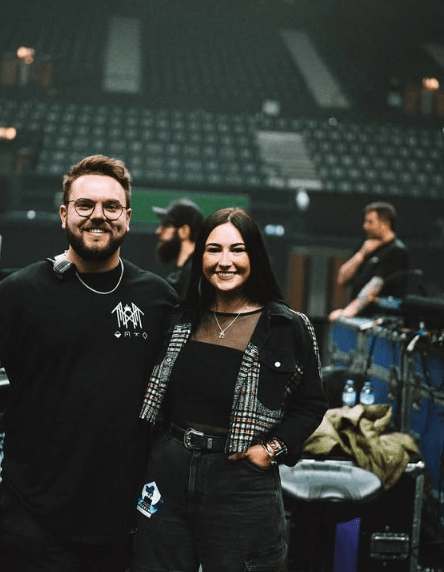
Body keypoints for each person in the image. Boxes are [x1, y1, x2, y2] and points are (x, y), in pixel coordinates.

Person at [0, 155, 179, 572]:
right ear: (64, 214)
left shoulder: (157, 298)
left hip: (126, 522)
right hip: (35, 520)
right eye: (85, 205)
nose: (98, 215)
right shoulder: (19, 292)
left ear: (127, 217)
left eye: (111, 206)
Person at [133, 207, 327, 572]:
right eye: (214, 249)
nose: (225, 261)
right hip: (168, 473)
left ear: (255, 257)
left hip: (241, 479)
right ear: (201, 257)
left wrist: (270, 450)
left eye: (237, 250)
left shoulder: (287, 326)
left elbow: (310, 404)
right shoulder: (179, 318)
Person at [328, 201, 410, 321]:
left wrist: (348, 312)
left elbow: (375, 286)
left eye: (370, 222)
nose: (365, 226)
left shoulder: (396, 251)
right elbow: (342, 279)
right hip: (360, 316)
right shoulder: (367, 247)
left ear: (385, 224)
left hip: (379, 318)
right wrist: (361, 254)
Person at [152, 197, 204, 298]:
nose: (158, 231)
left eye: (166, 225)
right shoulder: (182, 271)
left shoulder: (196, 274)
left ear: (184, 231)